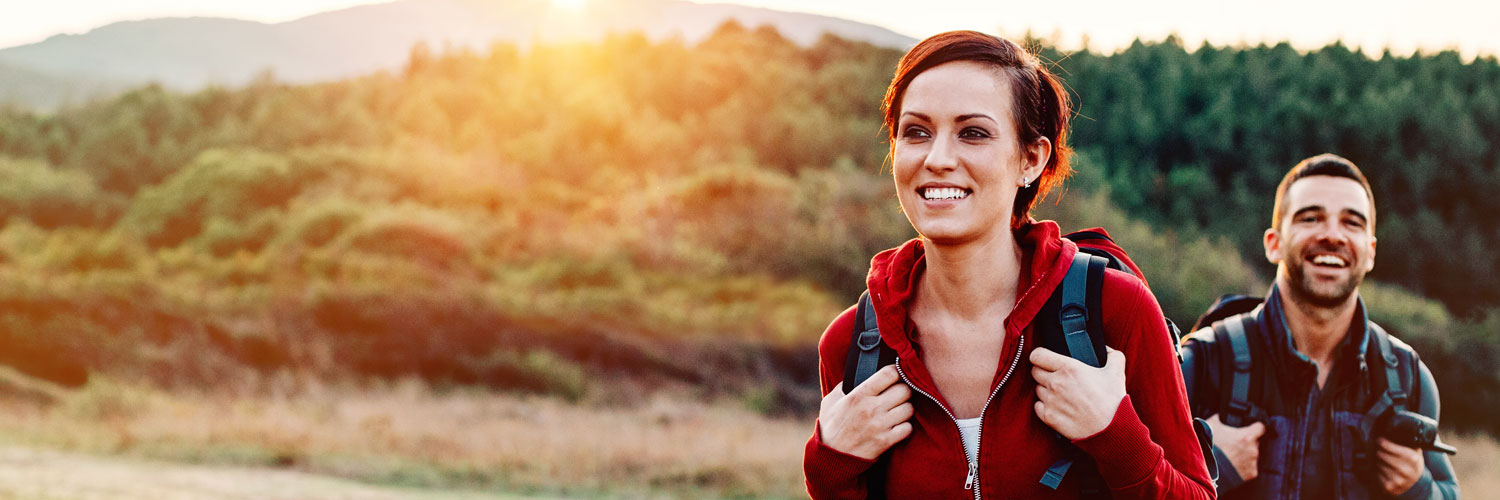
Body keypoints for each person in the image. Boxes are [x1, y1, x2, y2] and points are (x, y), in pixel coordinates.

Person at [801, 30, 1215, 499]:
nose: (937, 159)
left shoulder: (1115, 312)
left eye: (973, 133)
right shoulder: (855, 345)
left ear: (1031, 159)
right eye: (916, 132)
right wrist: (829, 468)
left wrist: (1115, 437)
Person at [1179, 154, 1460, 499]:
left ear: (1371, 252)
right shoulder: (1202, 363)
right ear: (1274, 243)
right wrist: (1212, 466)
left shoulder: (1408, 377)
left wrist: (1419, 488)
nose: (1332, 235)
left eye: (1352, 223)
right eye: (1310, 218)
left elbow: (1449, 492)